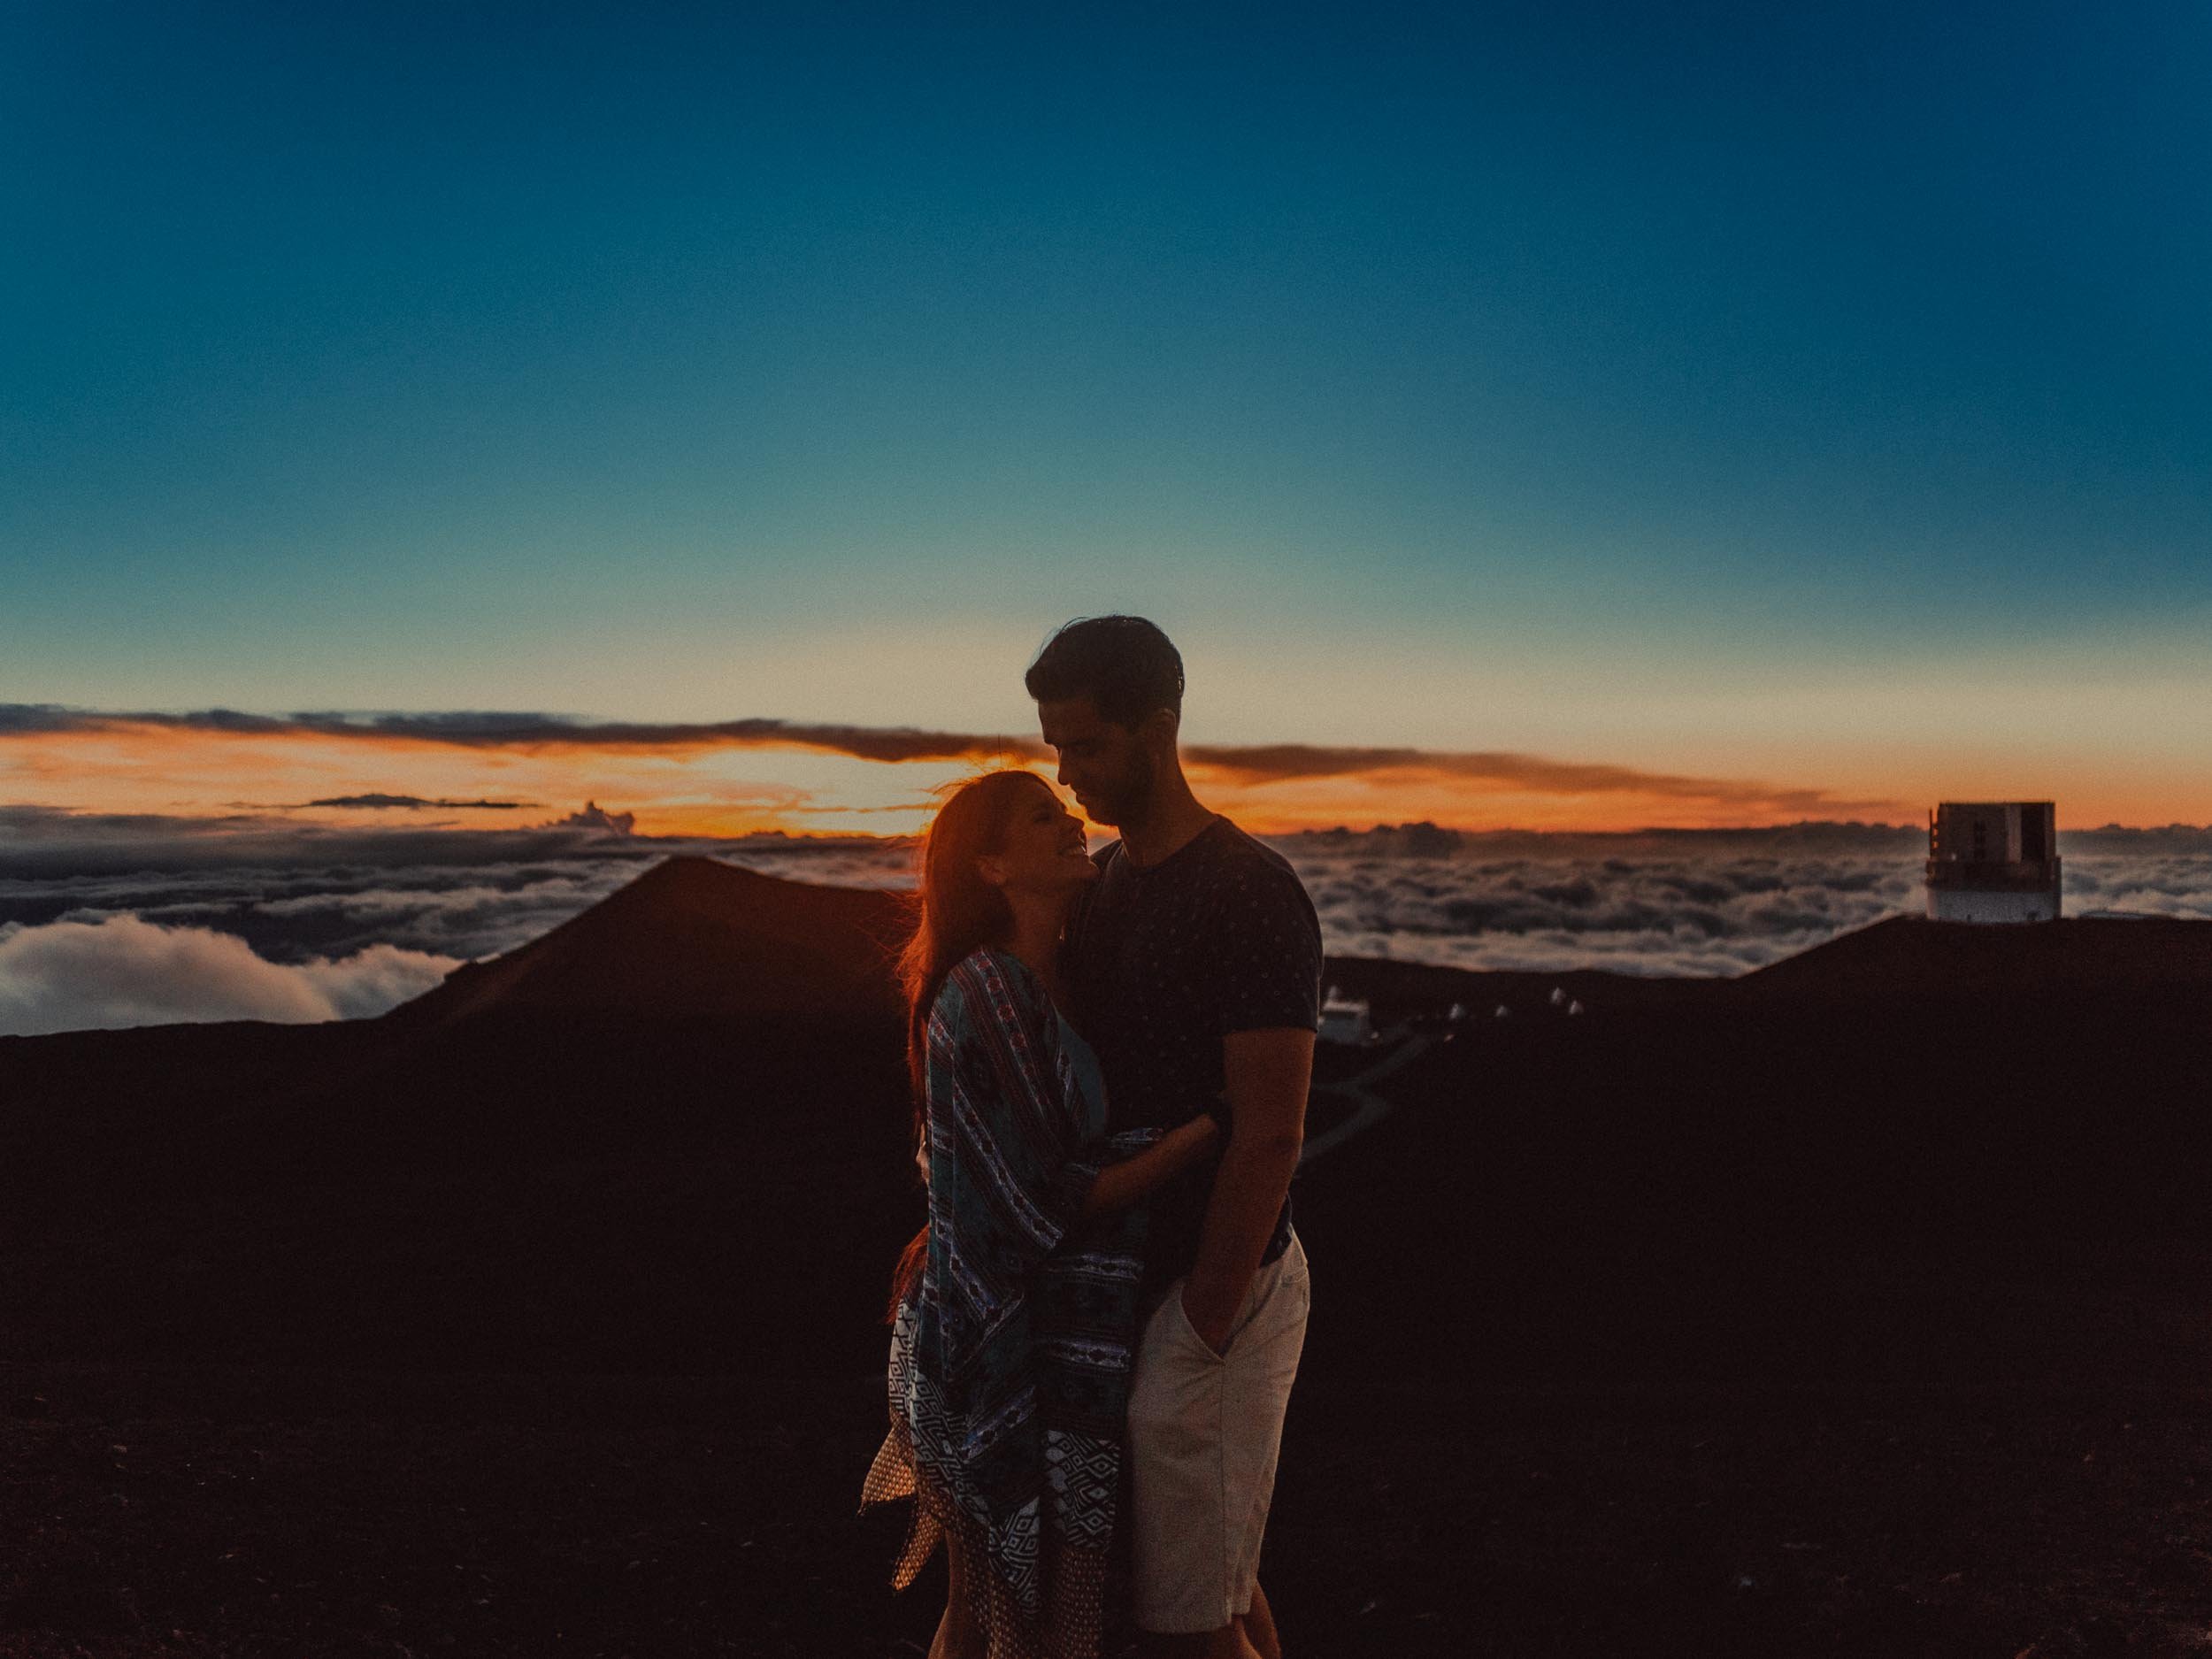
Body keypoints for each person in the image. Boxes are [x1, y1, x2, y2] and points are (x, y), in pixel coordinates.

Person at [861, 767, 1224, 1659]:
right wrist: (1211, 1129)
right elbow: (1047, 1200)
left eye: (1063, 810)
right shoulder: (985, 993)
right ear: (989, 867)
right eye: (1039, 817)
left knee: (1010, 1606)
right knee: (992, 1608)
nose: (1070, 823)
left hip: (1047, 1335)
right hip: (983, 1340)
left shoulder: (1064, 975)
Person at [1030, 617, 1321, 1659]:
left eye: (1087, 746)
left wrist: (1201, 1325)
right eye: (1054, 747)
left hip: (1219, 1286)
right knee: (1216, 1592)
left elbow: (1273, 1132)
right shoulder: (1103, 887)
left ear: (1157, 732)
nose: (1066, 774)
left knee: (1188, 1627)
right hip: (1130, 1286)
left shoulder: (1248, 892)